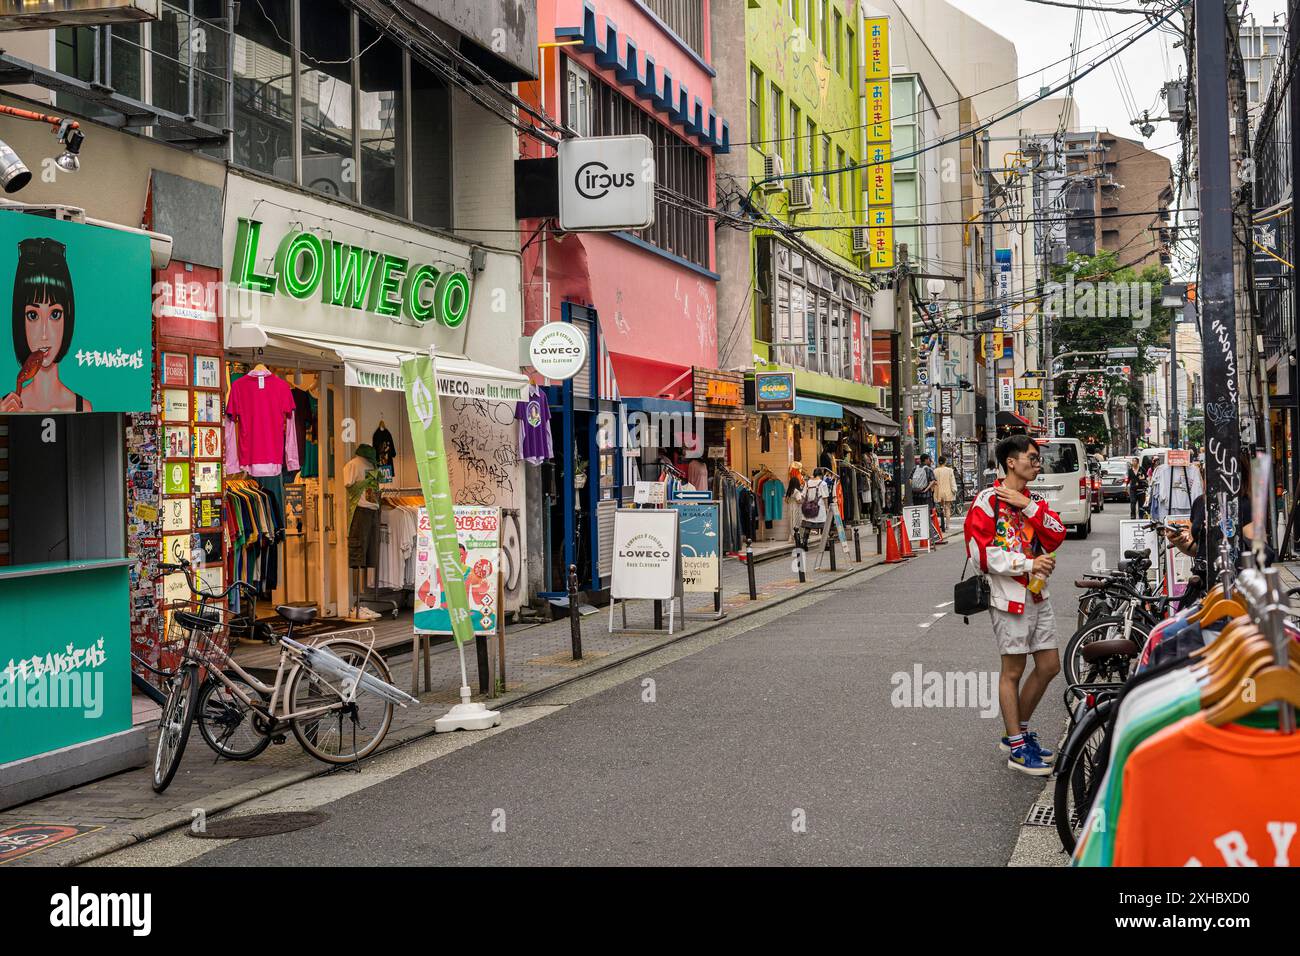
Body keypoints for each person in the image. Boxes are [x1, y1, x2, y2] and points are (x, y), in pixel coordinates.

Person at [964, 434, 1068, 776]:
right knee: (1013, 670)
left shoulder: (1032, 499)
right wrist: (1028, 563)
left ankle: (1016, 734)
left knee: (1050, 665)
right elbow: (981, 556)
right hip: (1007, 596)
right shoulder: (987, 501)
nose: (1037, 464)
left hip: (1037, 593)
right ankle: (1018, 747)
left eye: (1038, 459)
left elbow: (1056, 533)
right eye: (1032, 458)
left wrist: (1028, 506)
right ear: (1011, 462)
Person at [1, 237, 91, 413]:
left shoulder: (83, 407)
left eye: (55, 314)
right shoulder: (5, 406)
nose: (44, 333)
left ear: (68, 318)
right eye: (33, 315)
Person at [933, 455, 957, 531]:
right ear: (945, 462)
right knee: (948, 508)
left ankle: (942, 523)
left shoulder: (935, 471)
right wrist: (954, 489)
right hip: (948, 491)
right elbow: (952, 481)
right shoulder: (949, 470)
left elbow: (933, 481)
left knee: (941, 507)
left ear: (939, 462)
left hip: (938, 491)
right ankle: (947, 525)